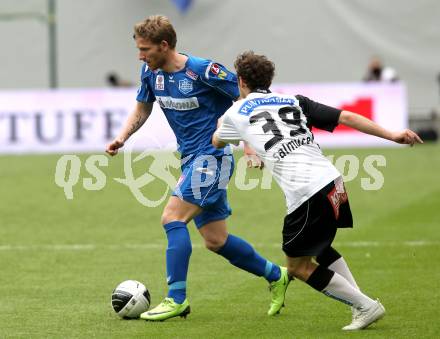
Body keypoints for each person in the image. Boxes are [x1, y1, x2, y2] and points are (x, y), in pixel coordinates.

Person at [212, 51, 423, 330]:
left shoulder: (235, 113)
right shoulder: (294, 101)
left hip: (306, 192)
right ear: (269, 79)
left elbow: (217, 140)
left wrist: (229, 130)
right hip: (333, 182)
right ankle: (361, 303)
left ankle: (364, 305)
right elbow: (346, 116)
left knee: (297, 266)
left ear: (239, 80)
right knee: (320, 247)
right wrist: (392, 135)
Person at [105, 16, 289, 321]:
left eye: (145, 49)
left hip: (212, 159)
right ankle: (276, 275)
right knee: (216, 240)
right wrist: (122, 137)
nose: (140, 55)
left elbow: (248, 97)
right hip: (191, 160)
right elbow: (143, 106)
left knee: (171, 217)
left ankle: (176, 298)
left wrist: (249, 143)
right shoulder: (150, 73)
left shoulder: (203, 70)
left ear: (164, 45)